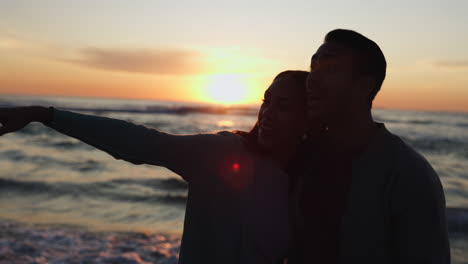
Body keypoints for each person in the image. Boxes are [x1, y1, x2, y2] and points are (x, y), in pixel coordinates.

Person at [0, 70, 309, 264]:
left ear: (308, 118)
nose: (267, 113)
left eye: (284, 107)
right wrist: (47, 115)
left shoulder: (308, 184)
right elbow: (141, 142)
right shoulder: (223, 153)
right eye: (266, 101)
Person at [288, 29, 450, 263]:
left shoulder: (408, 176)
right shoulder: (303, 155)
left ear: (364, 86)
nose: (312, 79)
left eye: (329, 69)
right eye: (313, 68)